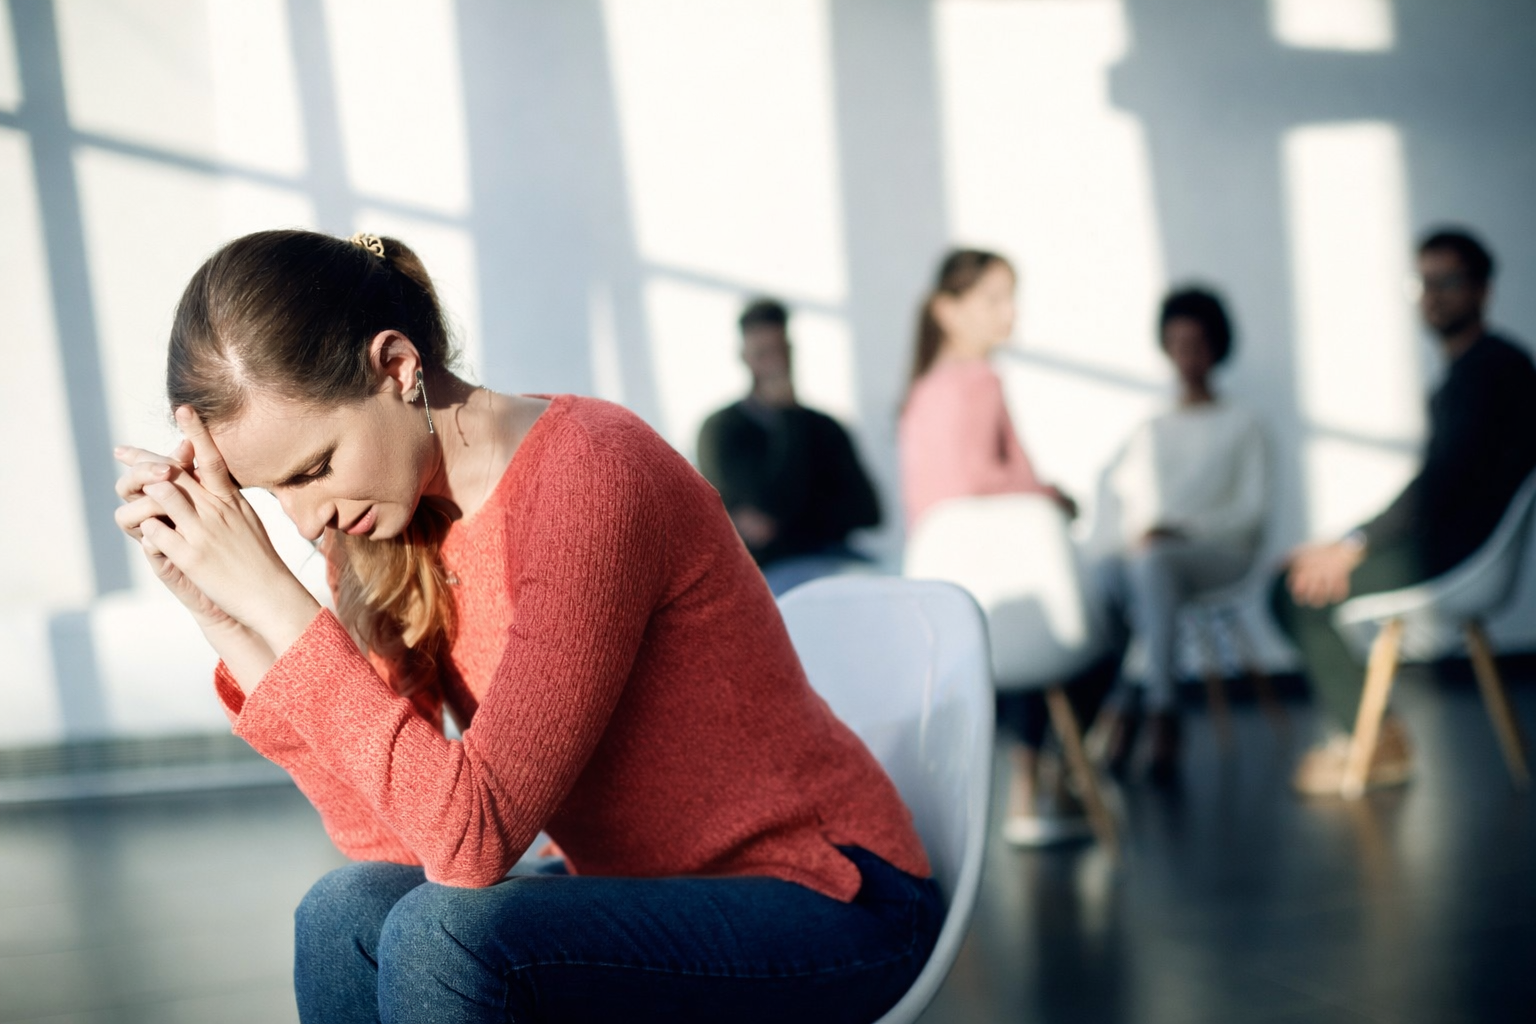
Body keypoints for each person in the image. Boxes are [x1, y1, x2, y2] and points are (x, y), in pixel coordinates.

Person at [110, 230, 939, 1023]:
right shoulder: (384, 524)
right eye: (272, 494)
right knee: (345, 912)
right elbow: (392, 841)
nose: (304, 522)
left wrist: (277, 605)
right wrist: (219, 610)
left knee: (448, 940)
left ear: (398, 367)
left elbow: (474, 842)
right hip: (643, 894)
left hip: (831, 894)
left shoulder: (591, 475)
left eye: (315, 468)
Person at [1272, 227, 1536, 795]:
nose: (1434, 295)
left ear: (1483, 290)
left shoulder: (1493, 370)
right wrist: (1347, 541)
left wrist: (1349, 544)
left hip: (1456, 556)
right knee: (1301, 576)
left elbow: (1439, 487)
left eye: (1450, 281)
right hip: (1447, 545)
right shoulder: (1476, 370)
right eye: (1424, 282)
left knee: (1296, 590)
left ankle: (1371, 741)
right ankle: (1376, 736)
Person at [898, 249, 1094, 847]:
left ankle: (1029, 786)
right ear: (948, 310)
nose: (1008, 313)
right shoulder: (980, 379)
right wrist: (1052, 496)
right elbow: (982, 475)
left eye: (1011, 297)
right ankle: (1044, 781)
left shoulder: (920, 393)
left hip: (943, 600)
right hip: (1003, 582)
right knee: (1087, 626)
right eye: (992, 299)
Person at [1092, 288, 1268, 783]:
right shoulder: (1153, 427)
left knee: (1153, 565)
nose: (1187, 357)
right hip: (1159, 560)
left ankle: (1154, 713)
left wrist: (1180, 531)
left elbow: (1250, 514)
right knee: (1109, 570)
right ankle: (1127, 703)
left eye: (1197, 344)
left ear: (1217, 347)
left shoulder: (1243, 423)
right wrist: (1143, 536)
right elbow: (1131, 503)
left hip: (1223, 552)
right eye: (1177, 344)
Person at [697, 298, 882, 596]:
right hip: (773, 572)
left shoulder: (826, 427)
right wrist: (788, 421)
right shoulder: (722, 430)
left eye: (781, 351)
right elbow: (763, 517)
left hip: (839, 558)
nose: (775, 364)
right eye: (763, 353)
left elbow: (869, 511)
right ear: (745, 357)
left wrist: (790, 521)